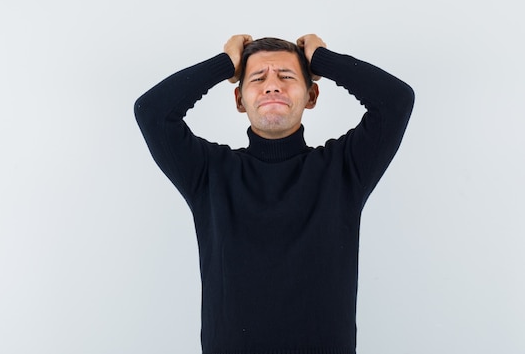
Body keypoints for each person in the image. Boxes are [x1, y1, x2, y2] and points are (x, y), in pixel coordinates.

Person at [134, 33, 414, 354]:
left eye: (286, 76)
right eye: (257, 78)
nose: (272, 86)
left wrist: (322, 59)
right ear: (240, 100)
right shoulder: (209, 172)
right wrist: (225, 63)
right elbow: (151, 111)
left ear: (311, 95)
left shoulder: (344, 168)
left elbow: (396, 101)